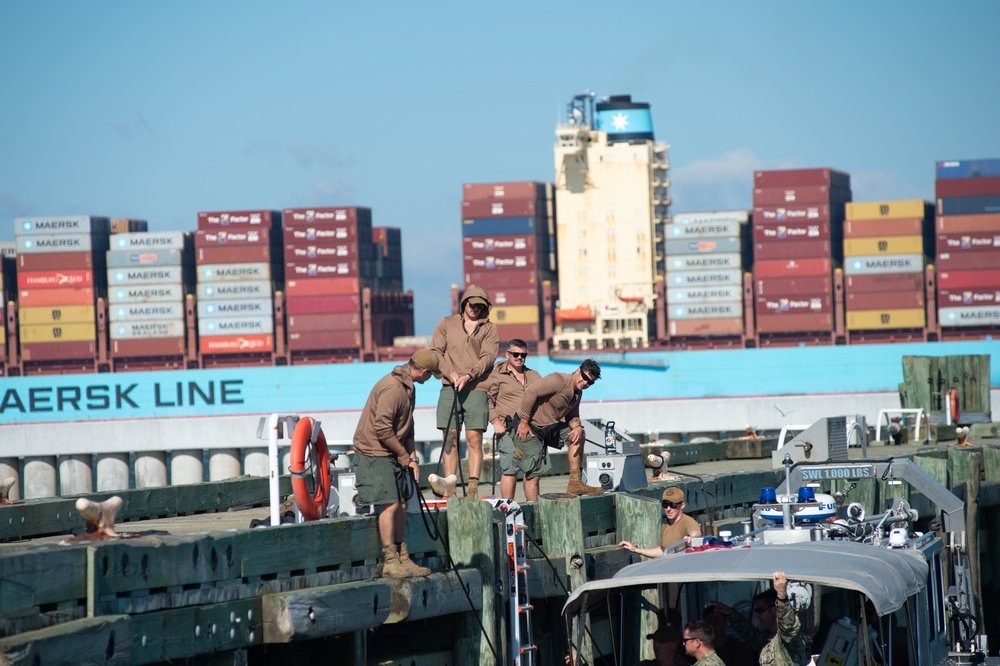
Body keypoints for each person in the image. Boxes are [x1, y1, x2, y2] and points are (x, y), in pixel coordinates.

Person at [353, 349, 441, 578]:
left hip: (393, 451)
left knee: (402, 502)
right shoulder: (394, 388)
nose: (430, 379)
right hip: (374, 452)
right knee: (389, 503)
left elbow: (408, 427)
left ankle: (403, 557)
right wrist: (402, 454)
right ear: (423, 371)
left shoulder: (409, 388)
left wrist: (412, 459)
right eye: (431, 375)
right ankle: (390, 561)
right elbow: (382, 428)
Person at [429, 284, 499, 498]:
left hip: (477, 388)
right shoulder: (446, 323)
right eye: (472, 303)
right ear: (464, 303)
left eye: (480, 305)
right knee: (449, 438)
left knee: (474, 439)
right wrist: (451, 374)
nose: (475, 308)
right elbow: (435, 352)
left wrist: (469, 375)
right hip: (450, 388)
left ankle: (473, 488)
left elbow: (488, 357)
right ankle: (450, 488)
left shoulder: (490, 328)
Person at [514, 359, 604, 496]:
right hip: (530, 427)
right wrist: (524, 422)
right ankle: (535, 510)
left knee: (580, 434)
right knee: (534, 474)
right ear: (578, 371)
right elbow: (530, 392)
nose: (585, 383)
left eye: (590, 382)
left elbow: (572, 416)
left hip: (550, 428)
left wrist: (577, 426)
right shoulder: (558, 380)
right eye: (585, 377)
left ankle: (575, 483)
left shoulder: (578, 393)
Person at [486, 339, 543, 501]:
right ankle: (508, 511)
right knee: (510, 470)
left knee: (532, 472)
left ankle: (534, 510)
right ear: (507, 354)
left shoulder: (533, 375)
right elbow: (488, 401)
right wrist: (496, 422)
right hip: (508, 430)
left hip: (532, 431)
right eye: (516, 354)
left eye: (523, 355)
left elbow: (545, 398)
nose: (520, 357)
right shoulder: (497, 375)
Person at [712, 572, 809, 666]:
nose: (758, 615)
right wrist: (730, 613)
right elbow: (750, 635)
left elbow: (788, 626)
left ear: (774, 609)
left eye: (761, 610)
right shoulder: (768, 638)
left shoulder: (789, 637)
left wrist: (782, 598)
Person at [619, 487, 703, 557]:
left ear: (682, 505)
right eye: (665, 505)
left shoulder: (687, 521)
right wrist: (636, 549)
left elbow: (696, 533)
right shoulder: (665, 526)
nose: (668, 509)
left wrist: (691, 539)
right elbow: (662, 551)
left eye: (672, 505)